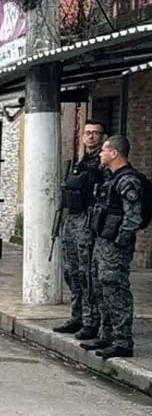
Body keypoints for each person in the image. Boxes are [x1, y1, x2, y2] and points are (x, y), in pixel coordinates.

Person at [81, 135, 144, 359]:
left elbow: (133, 217)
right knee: (100, 287)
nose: (100, 153)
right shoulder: (111, 178)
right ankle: (106, 334)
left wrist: (120, 241)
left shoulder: (128, 181)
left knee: (116, 290)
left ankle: (123, 340)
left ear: (114, 153)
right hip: (102, 242)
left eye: (104, 150)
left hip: (115, 246)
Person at [53, 120, 105, 339]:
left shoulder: (101, 164)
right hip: (72, 220)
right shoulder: (80, 161)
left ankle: (91, 320)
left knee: (86, 274)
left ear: (103, 137)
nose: (91, 136)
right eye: (87, 133)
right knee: (71, 272)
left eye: (95, 133)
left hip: (86, 221)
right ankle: (77, 317)